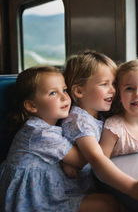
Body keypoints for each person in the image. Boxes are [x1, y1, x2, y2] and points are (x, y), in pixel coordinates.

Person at [0, 66, 118, 212]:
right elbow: (82, 159)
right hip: (34, 202)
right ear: (32, 105)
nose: (64, 97)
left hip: (49, 193)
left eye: (64, 90)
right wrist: (114, 134)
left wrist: (65, 161)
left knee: (107, 201)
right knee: (107, 204)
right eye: (53, 93)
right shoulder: (38, 132)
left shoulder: (53, 125)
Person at [61, 50, 138, 203]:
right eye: (104, 84)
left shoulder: (97, 115)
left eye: (114, 84)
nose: (113, 90)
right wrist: (131, 187)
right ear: (79, 91)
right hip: (67, 191)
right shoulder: (79, 121)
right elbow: (97, 159)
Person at [99, 59, 138, 158]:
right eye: (129, 88)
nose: (137, 94)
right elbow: (100, 163)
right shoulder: (114, 128)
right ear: (119, 95)